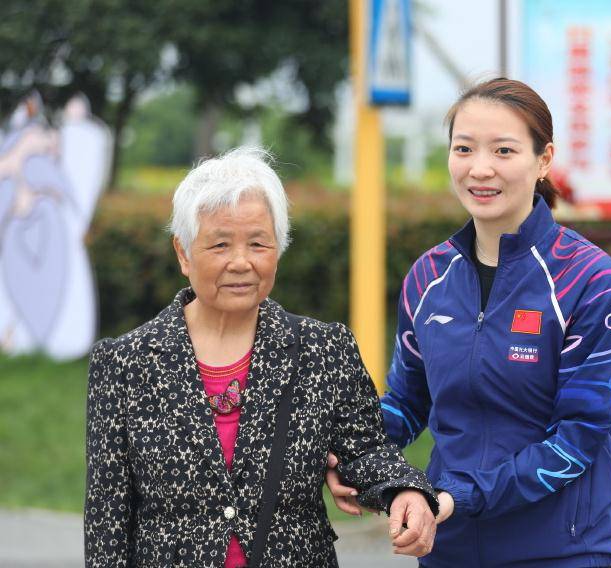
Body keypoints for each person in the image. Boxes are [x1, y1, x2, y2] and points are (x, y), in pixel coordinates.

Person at [84, 147, 439, 568]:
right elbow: (107, 521)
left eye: (258, 243)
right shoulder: (124, 364)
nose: (241, 262)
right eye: (219, 245)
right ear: (183, 253)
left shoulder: (323, 350)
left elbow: (366, 451)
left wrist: (406, 490)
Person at [328, 78, 611, 567]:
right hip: (446, 546)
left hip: (561, 550)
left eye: (504, 150)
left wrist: (455, 498)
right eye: (464, 148)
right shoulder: (429, 275)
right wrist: (348, 451)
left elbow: (578, 436)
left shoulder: (590, 280)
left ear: (543, 160)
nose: (480, 168)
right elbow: (409, 404)